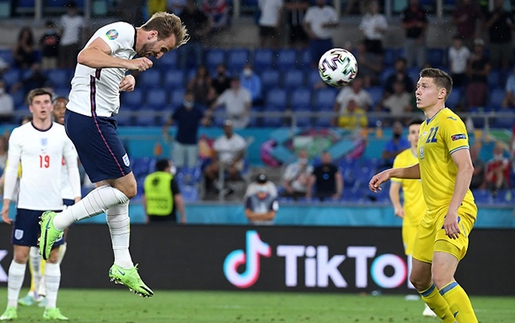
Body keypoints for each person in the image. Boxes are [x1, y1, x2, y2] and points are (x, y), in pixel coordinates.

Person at [38, 12, 189, 298]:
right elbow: (86, 56)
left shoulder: (127, 46)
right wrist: (127, 64)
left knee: (114, 193)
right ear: (154, 34)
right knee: (129, 188)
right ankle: (56, 222)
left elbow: (98, 70)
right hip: (90, 118)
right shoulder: (121, 31)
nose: (159, 55)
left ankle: (123, 263)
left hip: (97, 118)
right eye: (163, 49)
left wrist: (122, 79)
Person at [369, 68, 478, 323]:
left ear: (441, 93)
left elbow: (467, 166)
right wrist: (391, 173)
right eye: (417, 86)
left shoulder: (449, 122)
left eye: (425, 86)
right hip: (432, 214)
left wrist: (453, 211)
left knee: (441, 277)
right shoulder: (427, 127)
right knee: (418, 278)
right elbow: (425, 168)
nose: (417, 90)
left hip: (455, 209)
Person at [0, 88, 81, 321]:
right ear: (31, 107)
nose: (44, 106)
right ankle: (11, 307)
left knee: (54, 257)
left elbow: (73, 167)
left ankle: (51, 308)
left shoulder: (64, 134)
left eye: (47, 102)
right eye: (39, 102)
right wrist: (7, 202)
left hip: (54, 207)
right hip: (26, 205)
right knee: (21, 256)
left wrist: (76, 197)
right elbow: (12, 169)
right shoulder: (20, 134)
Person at [18, 96, 76, 308]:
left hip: (65, 195)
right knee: (34, 245)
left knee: (55, 243)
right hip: (40, 196)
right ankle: (35, 289)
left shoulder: (73, 133)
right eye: (58, 107)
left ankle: (45, 290)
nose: (61, 110)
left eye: (65, 107)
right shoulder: (41, 134)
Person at [388, 117, 436, 317]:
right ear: (408, 137)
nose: (416, 135)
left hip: (433, 217)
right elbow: (394, 189)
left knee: (434, 259)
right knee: (414, 259)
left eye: (419, 131)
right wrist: (397, 206)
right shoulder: (401, 159)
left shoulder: (433, 156)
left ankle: (432, 301)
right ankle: (421, 293)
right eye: (413, 132)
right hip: (411, 218)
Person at [162, 90, 211, 169]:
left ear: (193, 97)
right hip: (179, 142)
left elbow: (205, 122)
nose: (189, 97)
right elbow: (170, 120)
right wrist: (165, 127)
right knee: (178, 165)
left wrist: (208, 120)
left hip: (192, 143)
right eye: (188, 95)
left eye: (190, 96)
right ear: (185, 97)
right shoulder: (180, 110)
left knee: (192, 166)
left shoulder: (197, 110)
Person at [203, 119, 247, 191]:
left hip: (236, 161)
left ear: (232, 128)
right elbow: (214, 152)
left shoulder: (238, 140)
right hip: (222, 161)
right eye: (226, 127)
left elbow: (241, 153)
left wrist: (234, 161)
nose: (228, 129)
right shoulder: (220, 140)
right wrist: (214, 162)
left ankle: (232, 185)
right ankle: (218, 185)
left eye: (229, 127)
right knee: (209, 170)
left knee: (232, 170)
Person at [143, 159, 186, 223]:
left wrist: (147, 215)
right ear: (166, 168)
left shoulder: (149, 179)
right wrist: (182, 216)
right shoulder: (170, 179)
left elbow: (144, 198)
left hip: (152, 215)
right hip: (168, 216)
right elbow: (177, 198)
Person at [303, 0, 339, 68]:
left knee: (328, 62)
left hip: (326, 40)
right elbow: (306, 24)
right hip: (315, 40)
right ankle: (314, 77)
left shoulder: (330, 10)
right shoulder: (311, 10)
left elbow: (336, 24)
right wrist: (310, 34)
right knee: (314, 61)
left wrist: (328, 25)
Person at [178, 0, 211, 69]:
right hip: (185, 41)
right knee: (183, 53)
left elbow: (209, 22)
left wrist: (203, 31)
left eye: (192, 4)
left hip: (197, 40)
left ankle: (199, 71)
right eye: (189, 4)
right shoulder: (183, 14)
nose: (190, 5)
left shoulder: (199, 14)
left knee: (199, 53)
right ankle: (182, 72)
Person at [482, 0, 514, 69]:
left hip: (506, 41)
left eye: (500, 2)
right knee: (494, 61)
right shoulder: (490, 13)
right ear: (495, 3)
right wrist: (493, 19)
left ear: (503, 3)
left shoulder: (508, 14)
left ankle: (504, 76)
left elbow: (513, 27)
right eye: (498, 2)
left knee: (506, 60)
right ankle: (495, 76)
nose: (499, 4)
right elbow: (485, 27)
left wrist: (510, 25)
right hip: (494, 41)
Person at [400, 0, 428, 68]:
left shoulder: (422, 10)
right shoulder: (406, 11)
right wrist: (415, 24)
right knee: (408, 61)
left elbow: (425, 25)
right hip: (409, 38)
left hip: (420, 39)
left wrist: (420, 37)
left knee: (421, 62)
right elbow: (403, 25)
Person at [58, 1, 85, 69]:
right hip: (64, 42)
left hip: (74, 42)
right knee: (62, 60)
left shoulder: (79, 19)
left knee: (71, 61)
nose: (71, 11)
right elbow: (62, 30)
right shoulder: (64, 18)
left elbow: (84, 30)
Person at [465, 38, 490, 108]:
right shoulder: (470, 59)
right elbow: (468, 72)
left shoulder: (485, 59)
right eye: (476, 46)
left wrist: (475, 72)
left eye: (479, 47)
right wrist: (471, 62)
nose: (478, 48)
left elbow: (486, 72)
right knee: (470, 102)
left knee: (479, 101)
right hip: (472, 82)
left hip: (481, 83)